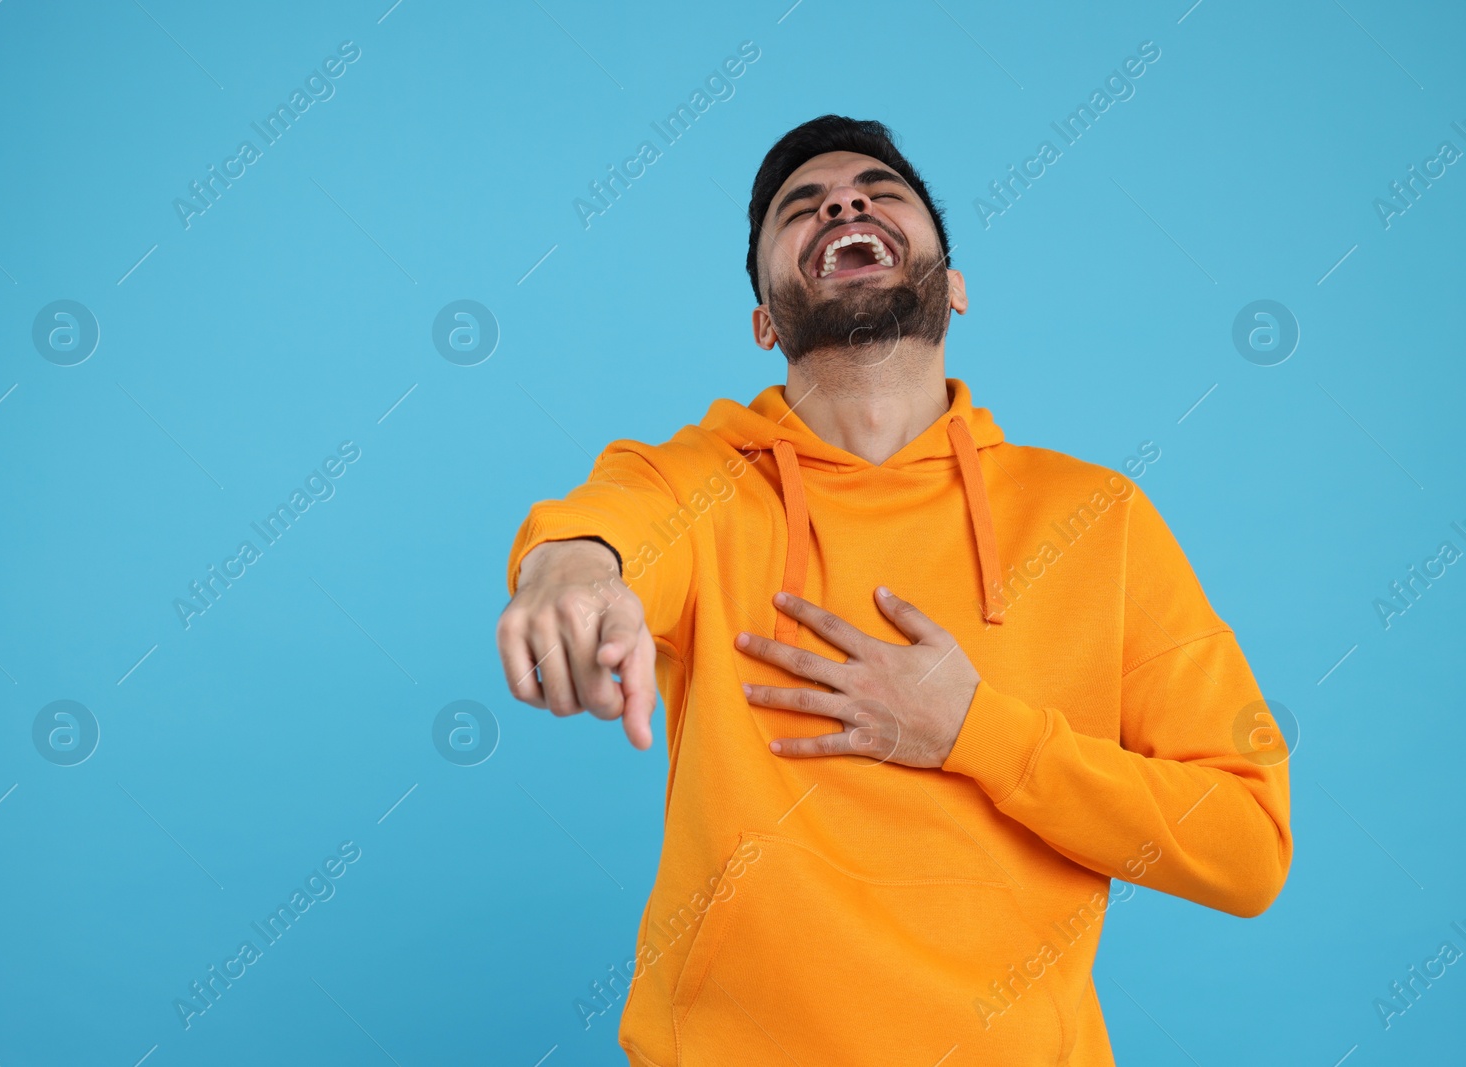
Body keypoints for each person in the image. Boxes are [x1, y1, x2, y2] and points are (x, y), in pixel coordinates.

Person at [496, 114, 1292, 1066]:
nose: (841, 200)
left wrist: (973, 733)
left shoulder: (1097, 517)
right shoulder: (703, 486)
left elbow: (1246, 847)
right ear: (765, 320)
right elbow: (607, 524)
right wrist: (568, 572)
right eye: (801, 206)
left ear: (953, 289)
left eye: (879, 190)